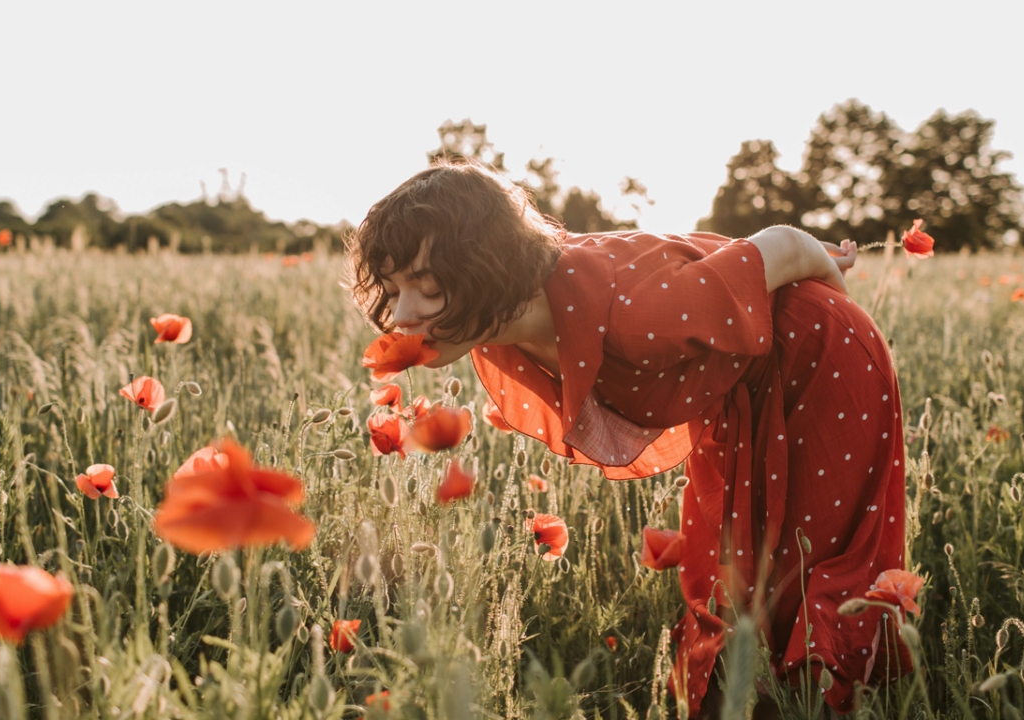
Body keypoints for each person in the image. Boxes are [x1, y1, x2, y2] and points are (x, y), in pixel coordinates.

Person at [345, 161, 910, 718]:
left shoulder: (633, 314)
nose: (402, 315)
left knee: (811, 559)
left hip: (821, 357)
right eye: (395, 289)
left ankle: (824, 704)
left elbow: (784, 244)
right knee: (731, 560)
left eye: (426, 286)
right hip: (739, 382)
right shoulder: (494, 327)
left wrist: (838, 305)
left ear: (486, 265)